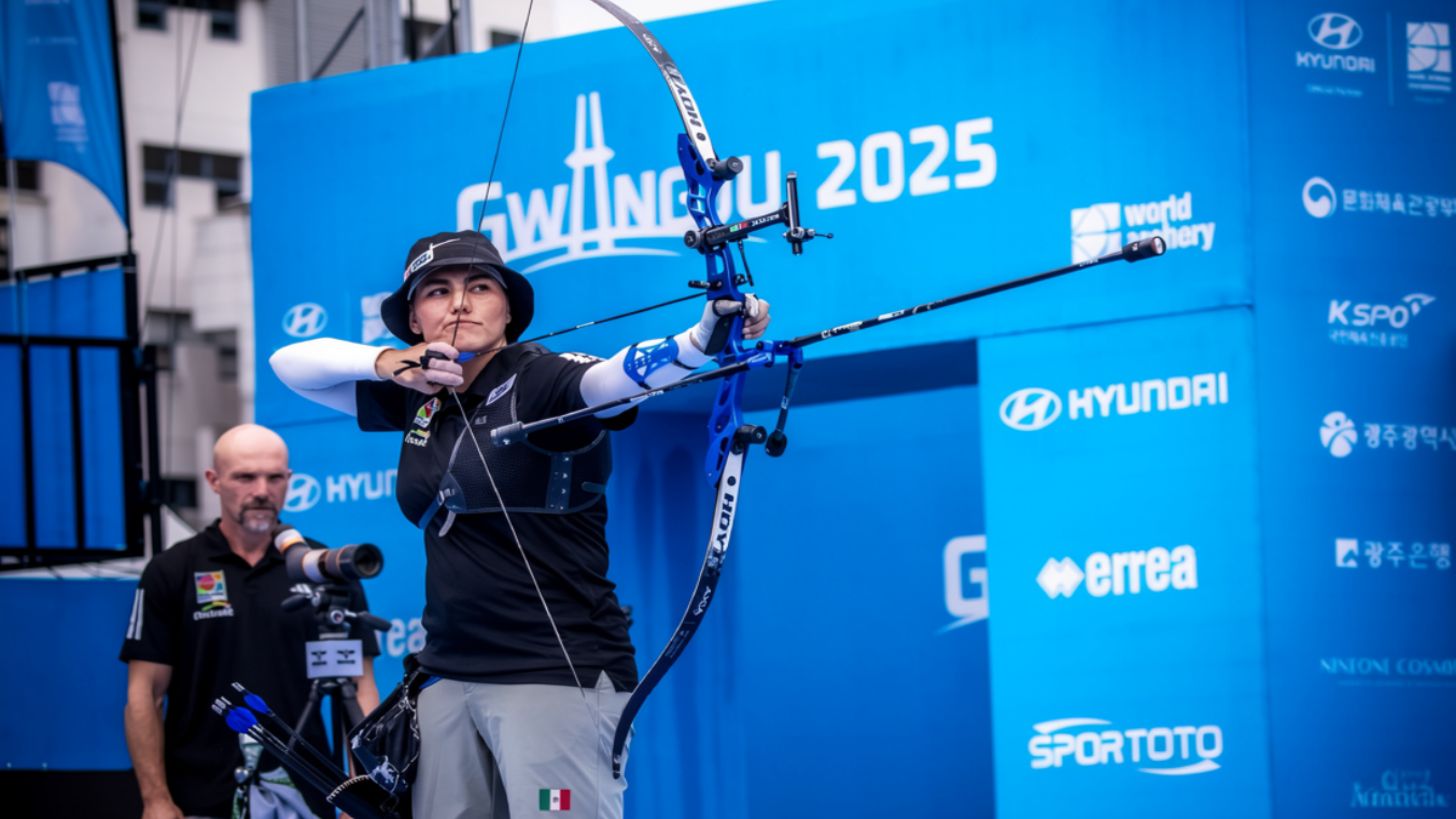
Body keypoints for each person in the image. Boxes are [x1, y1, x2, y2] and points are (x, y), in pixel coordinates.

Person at [268, 230, 770, 819]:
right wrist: (386, 363)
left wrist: (699, 340)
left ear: (508, 310)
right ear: (414, 318)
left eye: (480, 287)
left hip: (552, 673)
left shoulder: (542, 380)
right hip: (446, 675)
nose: (460, 303)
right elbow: (289, 365)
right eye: (437, 291)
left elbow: (611, 382)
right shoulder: (418, 397)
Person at [121, 424, 382, 819]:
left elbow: (360, 688)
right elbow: (145, 694)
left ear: (289, 480)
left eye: (274, 477)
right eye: (245, 477)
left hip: (308, 796)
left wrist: (357, 796)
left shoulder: (324, 568)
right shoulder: (172, 569)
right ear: (214, 480)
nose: (262, 490)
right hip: (198, 799)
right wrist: (155, 798)